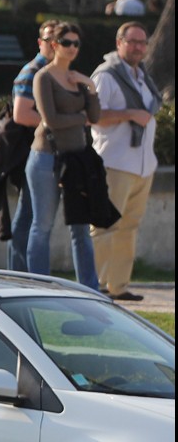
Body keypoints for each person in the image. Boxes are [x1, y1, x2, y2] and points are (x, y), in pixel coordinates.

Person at [25, 21, 102, 288]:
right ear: (55, 45)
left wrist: (90, 85)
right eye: (67, 43)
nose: (72, 48)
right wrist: (80, 117)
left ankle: (90, 289)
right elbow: (51, 120)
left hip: (76, 159)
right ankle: (38, 284)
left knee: (81, 228)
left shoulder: (78, 80)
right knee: (43, 224)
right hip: (46, 157)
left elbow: (96, 116)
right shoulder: (43, 77)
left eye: (76, 44)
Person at [90, 22, 163, 301]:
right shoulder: (107, 75)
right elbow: (93, 115)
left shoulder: (142, 76)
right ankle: (92, 284)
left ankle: (118, 286)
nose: (138, 48)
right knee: (105, 225)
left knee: (129, 226)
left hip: (143, 165)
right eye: (132, 42)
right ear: (119, 42)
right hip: (115, 161)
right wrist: (130, 114)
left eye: (142, 43)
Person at [0, 22, 61, 271]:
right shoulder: (32, 71)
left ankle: (19, 272)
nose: (54, 45)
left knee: (29, 214)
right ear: (40, 42)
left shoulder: (56, 71)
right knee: (29, 217)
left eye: (60, 40)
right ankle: (20, 272)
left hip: (44, 149)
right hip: (29, 150)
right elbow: (21, 115)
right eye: (49, 40)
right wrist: (57, 123)